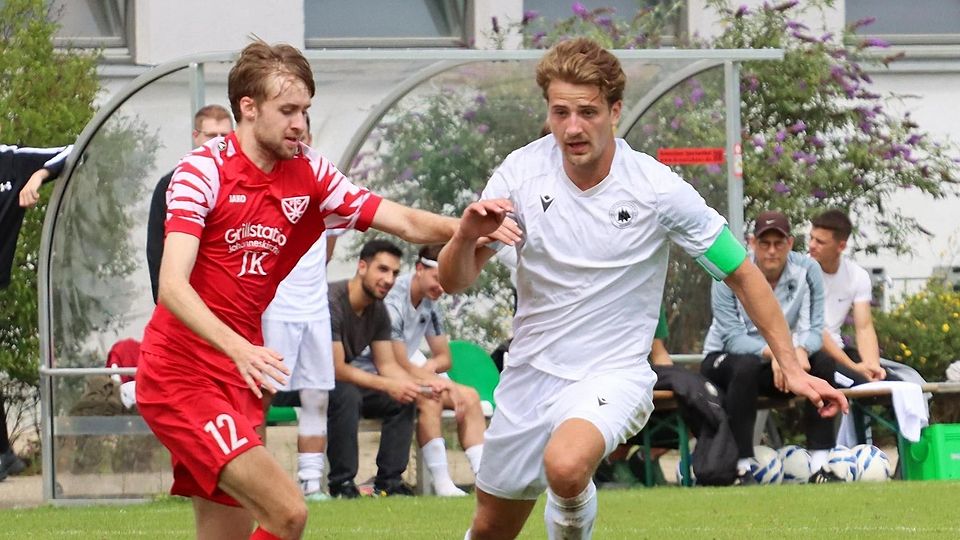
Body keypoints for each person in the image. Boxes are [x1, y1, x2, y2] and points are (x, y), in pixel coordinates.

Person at [438, 38, 846, 540]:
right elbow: (453, 280)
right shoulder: (520, 173)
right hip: (529, 375)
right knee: (489, 529)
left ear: (615, 111)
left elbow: (742, 272)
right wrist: (465, 236)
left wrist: (790, 365)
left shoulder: (657, 189)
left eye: (587, 112)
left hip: (613, 374)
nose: (572, 127)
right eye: (560, 112)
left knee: (566, 466)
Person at [136, 40, 518, 540]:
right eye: (287, 111)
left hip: (237, 375)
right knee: (288, 513)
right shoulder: (201, 171)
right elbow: (171, 287)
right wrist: (240, 348)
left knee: (225, 534)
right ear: (248, 108)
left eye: (305, 111)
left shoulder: (310, 172)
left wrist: (466, 226)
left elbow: (401, 220)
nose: (299, 124)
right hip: (181, 374)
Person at [701, 211, 839, 480]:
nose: (772, 251)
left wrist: (798, 352)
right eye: (765, 243)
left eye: (779, 243)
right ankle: (741, 468)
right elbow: (732, 338)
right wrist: (779, 354)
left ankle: (820, 465)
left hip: (777, 364)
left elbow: (814, 329)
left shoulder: (808, 270)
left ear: (790, 243)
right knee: (746, 366)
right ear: (752, 243)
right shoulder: (729, 269)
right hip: (724, 359)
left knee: (823, 361)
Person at [325, 240, 453, 498]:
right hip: (306, 381)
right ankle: (342, 484)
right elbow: (336, 368)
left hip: (345, 380)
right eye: (382, 269)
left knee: (402, 399)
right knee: (346, 393)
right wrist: (390, 384)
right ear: (362, 266)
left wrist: (414, 386)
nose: (389, 279)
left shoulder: (378, 310)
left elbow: (387, 365)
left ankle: (389, 483)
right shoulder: (332, 300)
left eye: (394, 273)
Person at [260, 115, 341, 501]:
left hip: (315, 309)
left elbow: (328, 245)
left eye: (303, 130)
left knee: (317, 395)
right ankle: (254, 479)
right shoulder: (268, 179)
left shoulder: (323, 180)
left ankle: (310, 480)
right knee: (262, 393)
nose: (297, 137)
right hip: (277, 308)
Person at [384, 244, 485, 496]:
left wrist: (430, 370)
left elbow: (444, 358)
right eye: (437, 278)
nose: (442, 287)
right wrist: (438, 381)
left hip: (410, 368)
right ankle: (442, 484)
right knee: (431, 397)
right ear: (419, 268)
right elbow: (397, 362)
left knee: (470, 397)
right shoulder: (393, 300)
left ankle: (486, 481)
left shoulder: (431, 300)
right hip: (381, 371)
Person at [1, 135, 72, 481]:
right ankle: (4, 454)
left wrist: (39, 175)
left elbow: (73, 150)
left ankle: (4, 455)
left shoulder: (10, 161)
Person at [145, 104, 233, 302]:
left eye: (225, 136)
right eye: (212, 136)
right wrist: (162, 299)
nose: (219, 142)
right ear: (196, 136)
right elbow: (156, 247)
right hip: (185, 296)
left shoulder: (241, 182)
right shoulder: (173, 182)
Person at [808, 209, 898, 384]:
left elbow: (864, 327)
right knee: (861, 384)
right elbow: (816, 331)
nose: (812, 245)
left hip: (839, 352)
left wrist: (872, 366)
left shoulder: (857, 276)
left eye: (820, 242)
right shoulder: (801, 273)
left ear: (841, 246)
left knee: (893, 385)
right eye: (811, 238)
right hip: (812, 356)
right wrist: (854, 368)